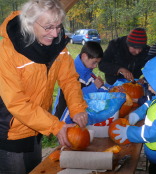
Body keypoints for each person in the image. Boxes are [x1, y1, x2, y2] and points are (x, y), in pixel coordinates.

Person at [0, 0, 88, 173]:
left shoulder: (58, 47)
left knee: (37, 169)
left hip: (38, 128)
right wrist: (55, 126)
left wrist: (77, 107)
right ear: (30, 23)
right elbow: (16, 102)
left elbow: (69, 79)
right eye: (48, 27)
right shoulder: (7, 52)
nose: (55, 34)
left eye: (58, 26)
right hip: (10, 134)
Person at [53, 41, 108, 119]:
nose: (96, 66)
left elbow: (101, 88)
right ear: (84, 56)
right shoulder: (71, 73)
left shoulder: (89, 73)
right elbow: (75, 94)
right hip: (63, 116)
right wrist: (94, 86)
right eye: (94, 62)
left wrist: (113, 92)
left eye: (97, 63)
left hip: (79, 115)